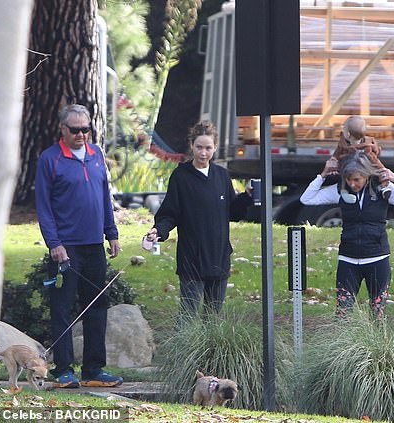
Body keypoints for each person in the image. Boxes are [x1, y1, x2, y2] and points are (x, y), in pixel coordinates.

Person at [35, 104, 123, 388]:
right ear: (63, 129)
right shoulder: (50, 159)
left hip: (94, 245)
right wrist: (54, 243)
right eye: (75, 130)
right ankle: (63, 370)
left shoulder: (97, 155)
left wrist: (112, 233)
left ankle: (94, 370)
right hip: (66, 248)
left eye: (86, 129)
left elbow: (104, 196)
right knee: (62, 308)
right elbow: (44, 207)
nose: (82, 135)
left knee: (97, 307)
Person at [144, 121, 252, 325]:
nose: (203, 152)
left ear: (215, 148)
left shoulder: (221, 175)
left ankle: (209, 356)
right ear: (191, 145)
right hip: (192, 258)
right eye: (199, 147)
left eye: (208, 148)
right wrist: (158, 230)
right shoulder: (181, 176)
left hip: (219, 257)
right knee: (188, 316)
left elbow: (233, 212)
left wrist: (246, 197)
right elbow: (170, 213)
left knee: (212, 319)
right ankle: (182, 356)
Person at [300, 150, 394, 318]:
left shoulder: (383, 189)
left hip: (377, 258)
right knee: (343, 312)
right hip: (348, 259)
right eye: (348, 179)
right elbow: (307, 199)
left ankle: (377, 342)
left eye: (356, 179)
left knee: (377, 312)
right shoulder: (340, 190)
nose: (352, 184)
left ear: (366, 176)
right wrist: (323, 174)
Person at [332, 116, 391, 201]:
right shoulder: (343, 143)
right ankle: (344, 192)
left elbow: (375, 154)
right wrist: (334, 162)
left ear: (348, 134)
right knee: (344, 176)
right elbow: (336, 154)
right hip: (348, 166)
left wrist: (378, 165)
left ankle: (383, 187)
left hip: (365, 165)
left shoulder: (368, 143)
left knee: (375, 174)